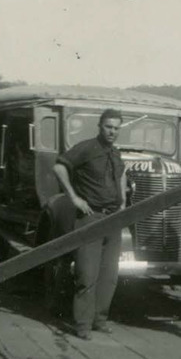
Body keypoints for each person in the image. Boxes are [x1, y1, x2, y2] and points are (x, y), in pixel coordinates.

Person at [53, 108, 126, 341]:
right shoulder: (86, 148)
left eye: (116, 128)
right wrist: (74, 198)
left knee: (109, 275)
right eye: (108, 127)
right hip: (90, 218)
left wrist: (123, 202)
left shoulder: (116, 153)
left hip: (113, 219)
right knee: (86, 274)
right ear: (100, 126)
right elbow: (59, 167)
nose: (112, 131)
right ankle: (82, 324)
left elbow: (121, 175)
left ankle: (99, 320)